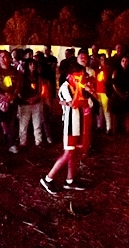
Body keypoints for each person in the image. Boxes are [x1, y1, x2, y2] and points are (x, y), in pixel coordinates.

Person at [40, 65, 93, 195]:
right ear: (70, 75)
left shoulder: (77, 86)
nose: (80, 78)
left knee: (74, 153)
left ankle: (70, 180)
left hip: (78, 123)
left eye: (81, 75)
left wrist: (85, 94)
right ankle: (48, 178)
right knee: (68, 153)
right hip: (70, 125)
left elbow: (89, 103)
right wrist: (79, 94)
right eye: (77, 75)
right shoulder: (65, 87)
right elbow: (74, 103)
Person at [17, 58, 47, 148]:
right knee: (23, 123)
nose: (32, 66)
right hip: (24, 103)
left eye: (34, 64)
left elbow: (40, 90)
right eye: (30, 64)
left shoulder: (38, 77)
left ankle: (38, 141)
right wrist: (25, 99)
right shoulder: (22, 77)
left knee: (37, 122)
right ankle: (23, 142)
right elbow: (18, 90)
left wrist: (35, 98)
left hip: (36, 102)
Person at [108, 56, 129, 135]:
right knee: (116, 114)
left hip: (128, 95)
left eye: (126, 61)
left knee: (127, 113)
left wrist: (128, 94)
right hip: (117, 95)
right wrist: (120, 94)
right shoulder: (116, 71)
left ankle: (127, 131)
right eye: (123, 61)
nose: (124, 62)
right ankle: (115, 131)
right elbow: (113, 83)